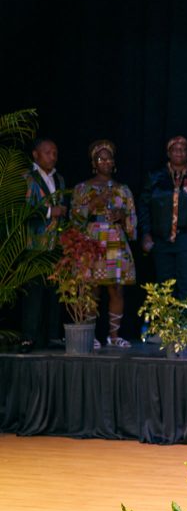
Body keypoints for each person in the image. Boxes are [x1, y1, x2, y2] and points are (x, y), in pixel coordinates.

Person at [139, 135, 187, 339]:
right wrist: (146, 233)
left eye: (183, 149)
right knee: (164, 283)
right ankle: (163, 328)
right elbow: (144, 205)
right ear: (168, 153)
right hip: (161, 238)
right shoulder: (156, 176)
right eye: (175, 149)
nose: (179, 152)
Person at [71, 139, 137, 348]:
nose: (106, 162)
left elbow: (133, 223)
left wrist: (123, 216)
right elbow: (74, 219)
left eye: (109, 159)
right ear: (94, 162)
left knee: (116, 289)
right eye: (101, 158)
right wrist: (93, 204)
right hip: (93, 240)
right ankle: (90, 336)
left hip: (115, 241)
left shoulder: (123, 189)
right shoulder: (82, 188)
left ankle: (114, 336)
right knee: (92, 288)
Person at [20, 137, 67, 352]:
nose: (53, 156)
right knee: (34, 294)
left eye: (55, 152)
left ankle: (53, 336)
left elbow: (63, 206)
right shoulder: (26, 178)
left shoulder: (59, 179)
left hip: (55, 244)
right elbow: (22, 210)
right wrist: (49, 211)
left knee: (55, 291)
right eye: (48, 152)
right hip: (34, 244)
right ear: (36, 155)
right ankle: (29, 336)